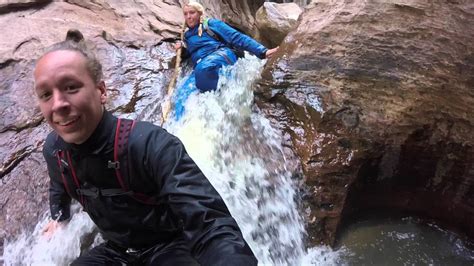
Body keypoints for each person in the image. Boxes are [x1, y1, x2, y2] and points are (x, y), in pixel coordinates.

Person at [35, 29, 258, 265]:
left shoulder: (151, 144)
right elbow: (59, 184)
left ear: (101, 91)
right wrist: (59, 218)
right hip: (116, 251)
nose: (58, 104)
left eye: (71, 87)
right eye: (46, 94)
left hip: (170, 246)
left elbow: (210, 222)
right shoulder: (55, 150)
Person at [175, 1, 279, 92]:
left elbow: (236, 37)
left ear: (200, 13)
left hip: (221, 54)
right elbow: (192, 52)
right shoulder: (187, 36)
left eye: (192, 13)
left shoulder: (211, 24)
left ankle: (223, 94)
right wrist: (183, 51)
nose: (188, 17)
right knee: (185, 91)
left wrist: (263, 51)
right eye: (185, 14)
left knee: (203, 69)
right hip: (202, 64)